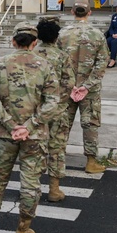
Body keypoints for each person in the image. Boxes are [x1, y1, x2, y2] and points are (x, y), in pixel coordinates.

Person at [0, 22, 61, 233]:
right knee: (30, 183)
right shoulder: (45, 65)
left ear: (13, 41)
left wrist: (9, 124)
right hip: (34, 137)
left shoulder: (0, 64)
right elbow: (53, 101)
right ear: (34, 43)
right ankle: (23, 230)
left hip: (5, 135)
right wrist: (30, 125)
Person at [58, 0, 108, 174]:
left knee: (62, 124)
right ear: (89, 12)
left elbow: (55, 61)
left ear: (72, 12)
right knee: (90, 124)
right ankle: (91, 162)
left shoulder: (63, 34)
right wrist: (86, 85)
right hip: (89, 90)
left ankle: (58, 161)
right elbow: (103, 62)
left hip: (66, 87)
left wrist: (69, 84)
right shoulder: (97, 34)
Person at [35, 16, 75, 202]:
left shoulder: (31, 54)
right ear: (55, 37)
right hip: (57, 110)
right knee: (56, 149)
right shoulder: (61, 56)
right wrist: (60, 102)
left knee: (33, 150)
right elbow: (69, 82)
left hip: (34, 111)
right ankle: (54, 189)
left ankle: (32, 188)